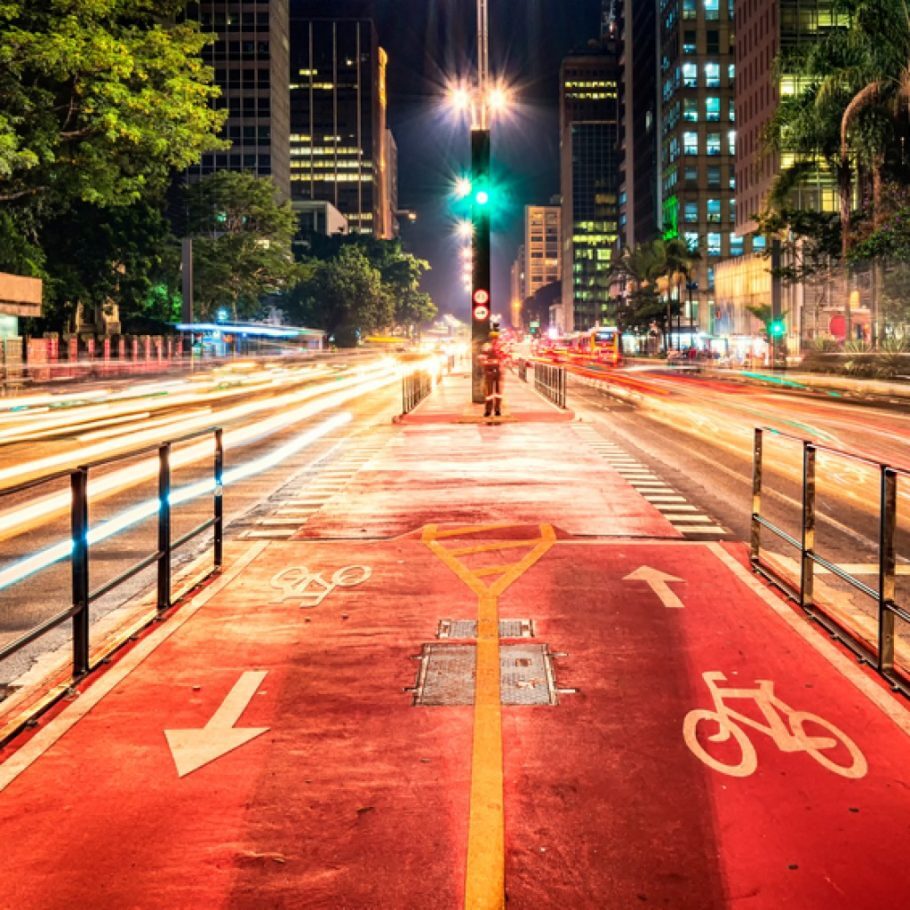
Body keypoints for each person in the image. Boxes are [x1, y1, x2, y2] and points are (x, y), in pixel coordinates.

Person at [479, 330, 504, 417]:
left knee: (498, 393)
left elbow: (505, 357)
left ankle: (497, 410)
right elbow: (481, 358)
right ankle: (488, 410)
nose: (494, 340)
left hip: (498, 372)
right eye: (493, 338)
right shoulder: (487, 346)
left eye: (496, 338)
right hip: (490, 372)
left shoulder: (500, 347)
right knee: (489, 393)